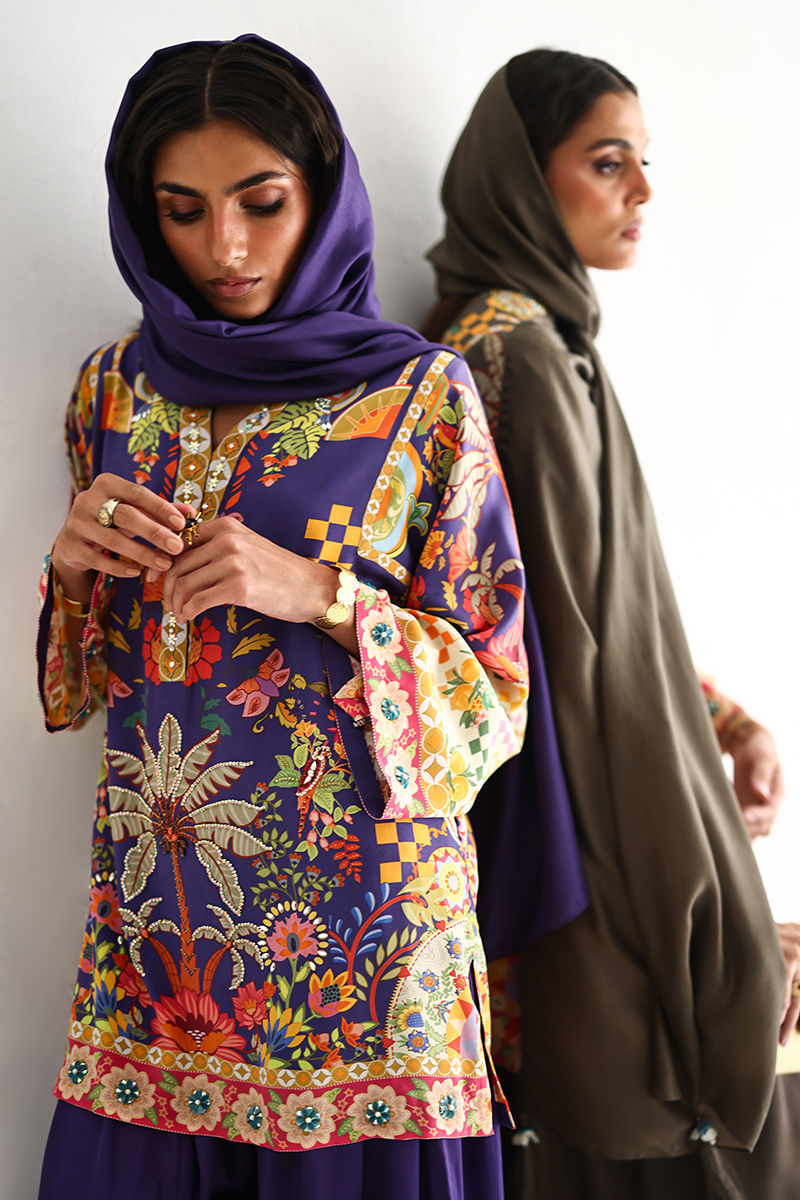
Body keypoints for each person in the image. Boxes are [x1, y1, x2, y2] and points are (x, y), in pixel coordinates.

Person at [35, 34, 544, 1199]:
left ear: (320, 194)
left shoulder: (419, 396)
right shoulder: (112, 390)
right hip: (166, 944)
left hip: (368, 950)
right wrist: (70, 569)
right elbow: (84, 689)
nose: (224, 247)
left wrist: (318, 593)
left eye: (261, 204)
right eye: (182, 210)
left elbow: (495, 695)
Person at [422, 48, 799, 1198]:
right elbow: (567, 666)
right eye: (605, 161)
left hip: (564, 821)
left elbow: (599, 617)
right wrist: (706, 907)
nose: (640, 189)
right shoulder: (518, 357)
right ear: (521, 176)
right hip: (572, 842)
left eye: (641, 161)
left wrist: (720, 719)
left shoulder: (531, 341)